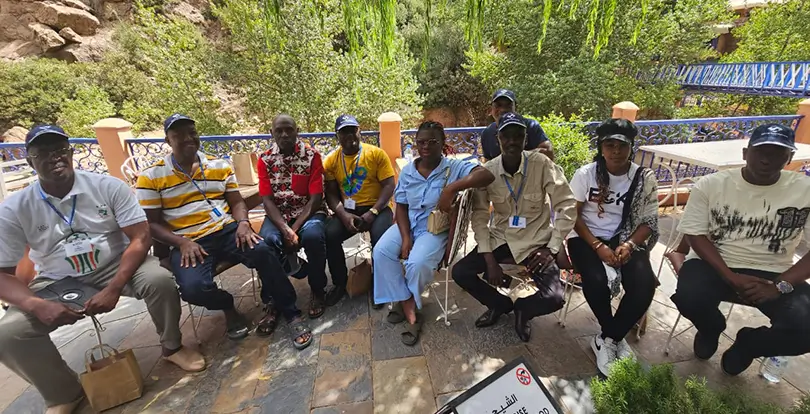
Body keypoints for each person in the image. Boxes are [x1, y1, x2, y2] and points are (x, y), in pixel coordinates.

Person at [0, 125, 205, 414]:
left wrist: (114, 286)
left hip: (116, 264)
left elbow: (141, 237)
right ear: (30, 160)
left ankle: (172, 346)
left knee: (159, 280)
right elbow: (3, 274)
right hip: (56, 279)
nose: (55, 157)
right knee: (8, 334)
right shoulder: (14, 208)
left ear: (71, 153)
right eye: (43, 153)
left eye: (61, 150)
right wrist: (34, 304)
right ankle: (63, 392)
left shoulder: (107, 186)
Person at [137, 114, 299, 346]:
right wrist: (181, 243)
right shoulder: (152, 176)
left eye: (191, 132)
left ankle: (290, 311)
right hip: (188, 241)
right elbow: (150, 224)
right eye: (179, 135)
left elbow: (236, 202)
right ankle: (227, 306)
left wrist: (243, 223)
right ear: (167, 140)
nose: (187, 139)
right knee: (193, 289)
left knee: (263, 250)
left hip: (226, 231)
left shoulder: (218, 165)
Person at [671, 123, 810, 376]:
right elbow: (695, 234)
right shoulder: (712, 184)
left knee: (806, 329)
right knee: (688, 297)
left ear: (789, 157)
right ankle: (711, 328)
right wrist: (730, 276)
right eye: (760, 151)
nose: (767, 159)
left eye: (778, 153)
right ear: (746, 153)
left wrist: (779, 285)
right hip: (715, 263)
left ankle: (748, 346)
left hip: (774, 271)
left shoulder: (805, 190)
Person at [452, 112, 573, 342]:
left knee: (555, 297)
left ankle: (524, 310)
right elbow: (479, 215)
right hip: (502, 238)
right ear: (498, 139)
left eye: (518, 135)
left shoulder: (542, 164)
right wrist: (489, 259)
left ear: (526, 139)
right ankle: (499, 304)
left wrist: (552, 248)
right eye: (506, 136)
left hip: (536, 241)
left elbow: (566, 204)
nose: (512, 141)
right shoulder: (488, 171)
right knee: (461, 272)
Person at [373, 121, 496, 346]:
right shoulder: (409, 170)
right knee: (381, 252)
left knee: (417, 263)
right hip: (408, 225)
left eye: (432, 141)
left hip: (435, 230)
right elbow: (400, 205)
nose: (426, 146)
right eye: (421, 142)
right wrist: (406, 238)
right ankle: (406, 299)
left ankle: (410, 313)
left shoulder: (452, 167)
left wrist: (451, 188)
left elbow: (486, 175)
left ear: (443, 143)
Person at [566, 118, 659, 377]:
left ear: (631, 147)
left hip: (626, 238)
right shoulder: (586, 174)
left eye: (622, 145)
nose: (616, 151)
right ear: (601, 147)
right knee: (595, 280)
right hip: (586, 237)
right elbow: (572, 215)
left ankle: (609, 339)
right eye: (610, 145)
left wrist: (629, 244)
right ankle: (613, 337)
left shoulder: (642, 178)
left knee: (643, 285)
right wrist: (597, 247)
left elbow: (649, 221)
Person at [257, 114, 329, 328]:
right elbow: (267, 201)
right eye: (279, 130)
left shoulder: (312, 156)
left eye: (289, 129)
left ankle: (317, 289)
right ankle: (274, 298)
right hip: (278, 214)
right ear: (272, 133)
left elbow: (315, 198)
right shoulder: (265, 159)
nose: (285, 134)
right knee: (266, 243)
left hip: (308, 212)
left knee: (314, 236)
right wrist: (285, 229)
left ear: (297, 131)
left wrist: (293, 230)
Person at [323, 115, 395, 306]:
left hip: (377, 207)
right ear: (337, 135)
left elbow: (389, 185)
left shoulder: (376, 154)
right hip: (347, 211)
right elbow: (330, 194)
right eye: (343, 131)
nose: (349, 135)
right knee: (330, 235)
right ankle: (340, 283)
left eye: (352, 130)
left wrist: (373, 212)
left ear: (359, 130)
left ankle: (380, 284)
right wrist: (344, 216)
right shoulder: (330, 161)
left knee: (381, 239)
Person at [480, 89, 553, 161]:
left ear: (516, 108)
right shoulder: (487, 133)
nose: (503, 109)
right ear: (491, 109)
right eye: (498, 105)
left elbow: (548, 152)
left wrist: (516, 158)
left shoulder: (531, 126)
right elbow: (487, 164)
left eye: (508, 105)